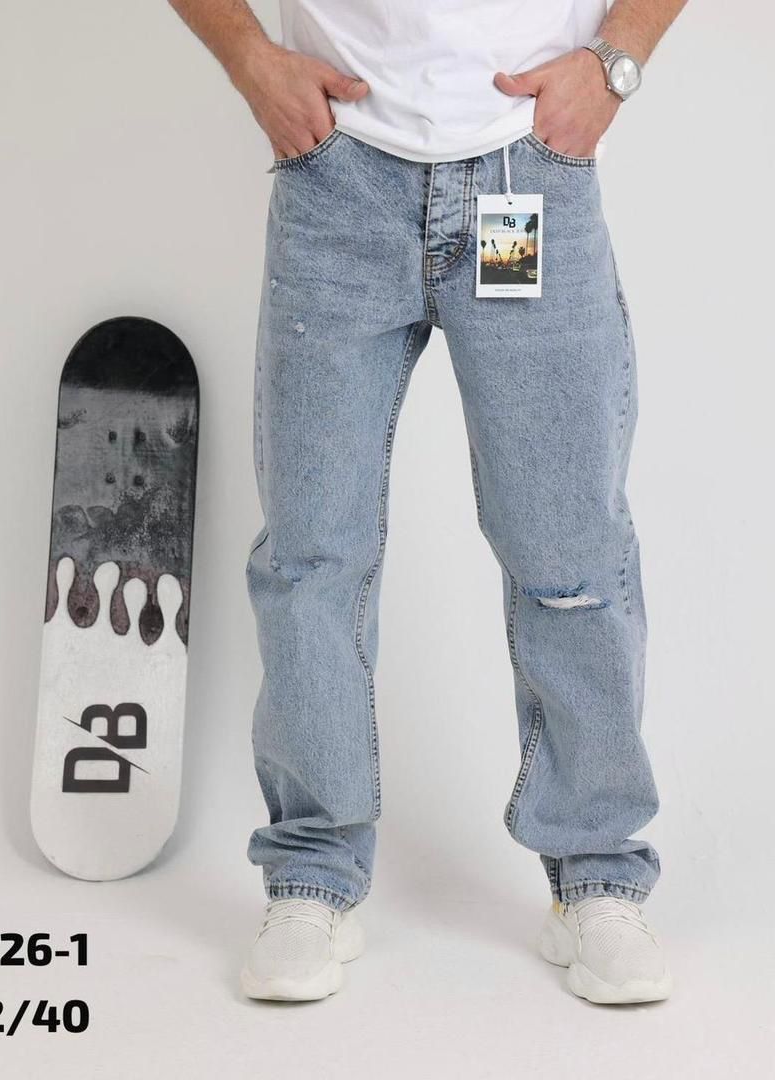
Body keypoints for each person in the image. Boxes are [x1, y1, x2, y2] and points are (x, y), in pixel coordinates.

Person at [168, 0, 687, 1004]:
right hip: (339, 182)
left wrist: (613, 63)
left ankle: (595, 877)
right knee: (312, 555)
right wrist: (251, 62)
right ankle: (311, 875)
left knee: (568, 552)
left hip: (522, 175)